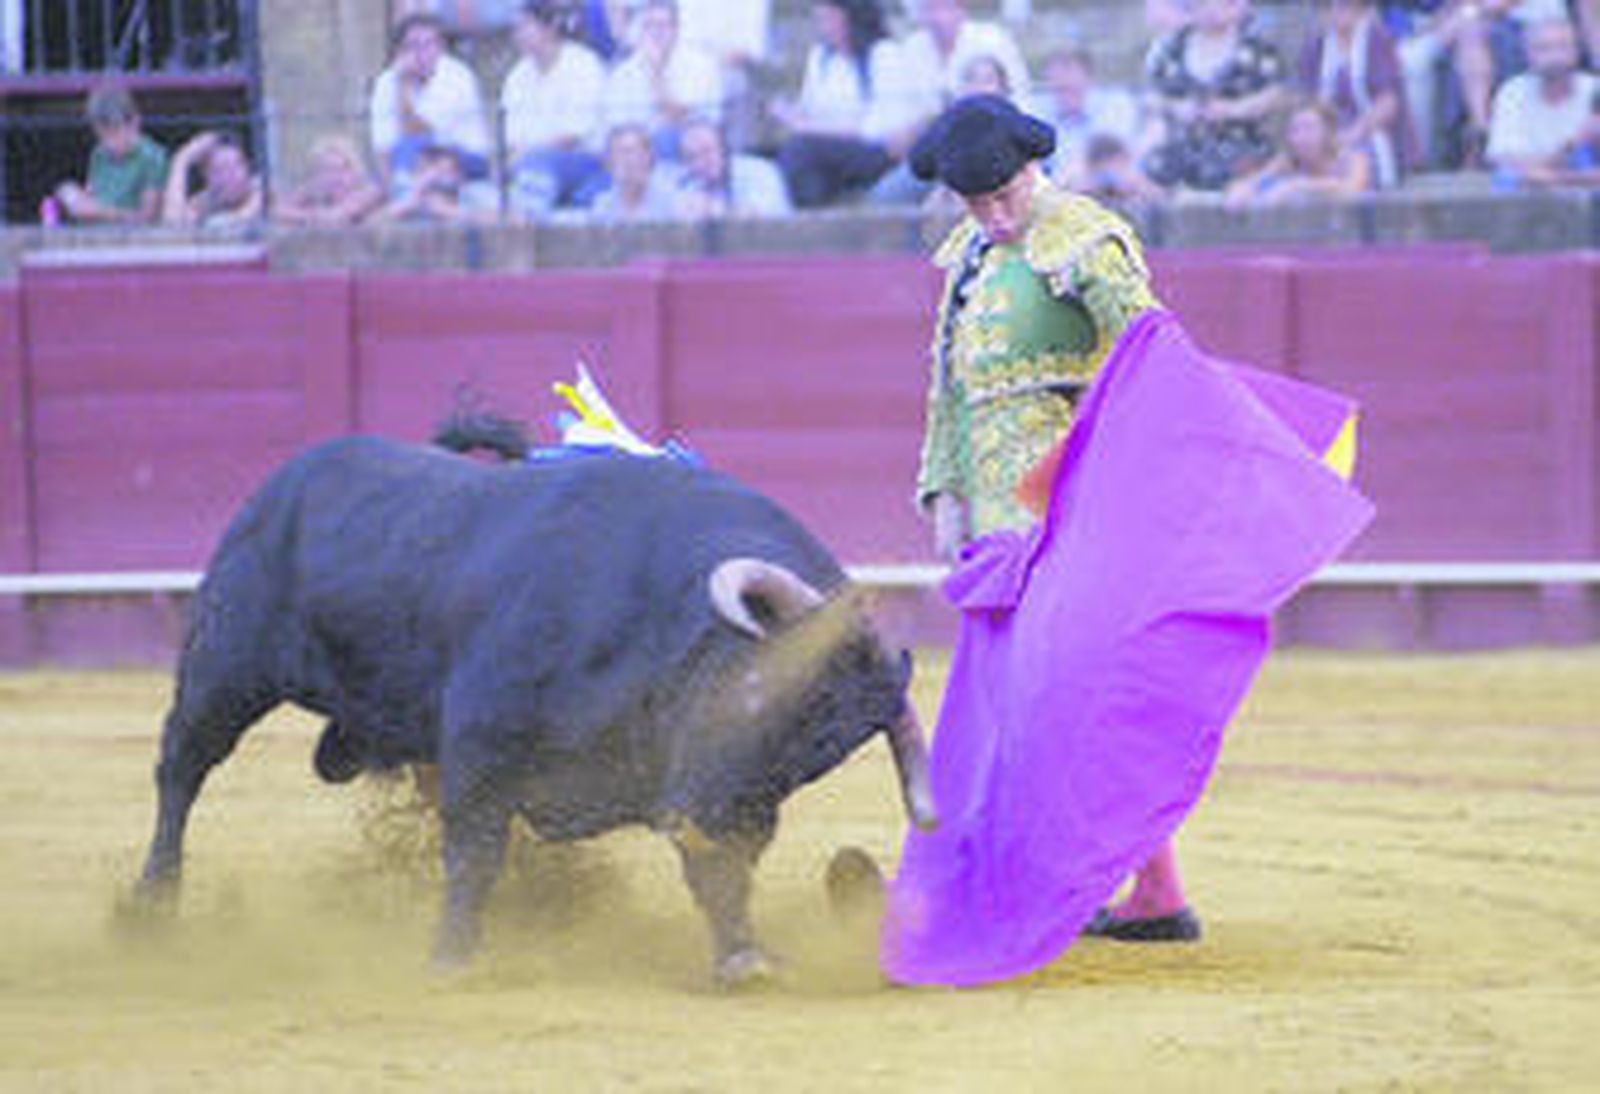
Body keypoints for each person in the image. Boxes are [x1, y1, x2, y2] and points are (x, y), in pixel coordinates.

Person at [883, 93, 1375, 987]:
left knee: (1057, 705)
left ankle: (1058, 888)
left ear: (1033, 168)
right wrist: (942, 488)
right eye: (976, 203)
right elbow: (947, 391)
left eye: (1005, 194)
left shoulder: (1087, 241)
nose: (995, 215)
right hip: (996, 520)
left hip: (1078, 511)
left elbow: (1158, 364)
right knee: (1018, 707)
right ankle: (1154, 894)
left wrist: (1108, 488)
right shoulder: (965, 261)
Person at [868, 0, 1032, 205]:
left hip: (993, 147)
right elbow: (903, 119)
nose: (938, 18)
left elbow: (1020, 101)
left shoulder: (992, 40)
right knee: (886, 195)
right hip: (937, 151)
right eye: (931, 9)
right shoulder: (912, 49)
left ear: (961, 9)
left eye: (945, 7)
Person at [1143, 0, 1289, 193]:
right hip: (1182, 147)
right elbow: (1150, 97)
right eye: (1202, 4)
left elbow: (1278, 95)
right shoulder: (1170, 49)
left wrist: (1234, 109)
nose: (1211, 9)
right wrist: (1176, 107)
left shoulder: (1259, 49)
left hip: (1243, 145)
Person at [773, 0, 905, 208]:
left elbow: (876, 126)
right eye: (821, 20)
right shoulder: (820, 58)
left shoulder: (883, 54)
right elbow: (810, 109)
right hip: (824, 148)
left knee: (800, 150)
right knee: (797, 159)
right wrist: (789, 114)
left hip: (872, 150)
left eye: (830, 19)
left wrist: (810, 128)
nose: (824, 27)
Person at [501, 0, 608, 219]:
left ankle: (526, 227)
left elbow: (574, 135)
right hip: (528, 162)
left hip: (585, 158)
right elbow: (510, 137)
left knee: (535, 167)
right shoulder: (517, 75)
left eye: (525, 27)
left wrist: (528, 155)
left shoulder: (583, 63)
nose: (518, 35)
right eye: (516, 29)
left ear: (549, 29)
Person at [368, 13, 493, 194]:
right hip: (411, 163)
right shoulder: (386, 82)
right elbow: (382, 147)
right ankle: (403, 197)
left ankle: (406, 196)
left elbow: (422, 133)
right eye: (413, 46)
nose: (422, 53)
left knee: (413, 148)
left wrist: (402, 86)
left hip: (463, 159)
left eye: (429, 44)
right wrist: (388, 188)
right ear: (400, 50)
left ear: (441, 47)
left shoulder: (458, 76)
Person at [1300, 0, 1416, 188]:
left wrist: (1353, 133)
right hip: (1331, 132)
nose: (1336, 11)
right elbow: (1310, 103)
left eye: (1344, 5)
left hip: (1373, 130)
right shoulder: (1315, 48)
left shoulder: (1378, 41)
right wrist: (1325, 135)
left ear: (1360, 9)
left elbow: (1388, 104)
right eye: (1328, 6)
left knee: (1352, 160)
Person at [1486, 14, 1600, 183]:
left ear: (1577, 51)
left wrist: (1549, 174)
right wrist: (1571, 148)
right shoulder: (1513, 92)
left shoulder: (1595, 90)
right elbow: (1503, 160)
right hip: (1524, 202)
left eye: (1563, 47)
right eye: (1543, 48)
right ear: (1527, 54)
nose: (1555, 57)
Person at [603, 0, 724, 159]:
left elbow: (679, 119)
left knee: (666, 139)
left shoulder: (699, 65)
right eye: (648, 26)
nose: (655, 32)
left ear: (676, 29)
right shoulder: (624, 72)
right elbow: (616, 127)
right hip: (637, 152)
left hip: (690, 150)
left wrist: (656, 74)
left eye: (662, 25)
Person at [49, 84, 168, 225]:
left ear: (134, 123)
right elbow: (92, 197)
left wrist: (101, 212)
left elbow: (147, 220)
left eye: (115, 134)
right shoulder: (99, 155)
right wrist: (73, 197)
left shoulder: (153, 158)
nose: (109, 144)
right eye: (102, 137)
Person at [1032, 45, 1144, 192]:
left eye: (1069, 68)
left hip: (1112, 192)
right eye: (1056, 74)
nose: (1063, 79)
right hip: (1058, 194)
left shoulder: (1115, 104)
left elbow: (1116, 157)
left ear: (1088, 75)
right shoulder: (1037, 110)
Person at [1226, 97, 1373, 205]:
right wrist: (1240, 190)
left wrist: (1297, 185)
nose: (1301, 137)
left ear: (1328, 132)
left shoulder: (1354, 157)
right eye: (1295, 130)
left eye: (1309, 128)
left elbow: (1352, 190)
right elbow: (1253, 182)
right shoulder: (1287, 161)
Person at [673, 116, 792, 218]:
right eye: (692, 157)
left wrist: (712, 209)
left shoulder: (759, 171)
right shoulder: (688, 184)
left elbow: (756, 217)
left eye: (707, 151)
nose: (700, 162)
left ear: (723, 148)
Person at [371, 142, 499, 225]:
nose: (435, 175)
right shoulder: (406, 197)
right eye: (430, 166)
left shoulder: (471, 194)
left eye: (446, 170)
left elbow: (509, 220)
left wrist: (451, 211)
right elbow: (367, 227)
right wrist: (409, 203)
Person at [272, 134, 385, 227]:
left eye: (340, 169)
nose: (334, 177)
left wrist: (306, 215)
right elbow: (277, 210)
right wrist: (310, 212)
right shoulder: (313, 189)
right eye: (327, 170)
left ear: (353, 170)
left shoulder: (368, 191)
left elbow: (337, 217)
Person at [161, 131, 263, 229]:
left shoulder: (263, 192)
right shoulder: (206, 200)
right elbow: (173, 225)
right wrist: (181, 160)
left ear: (248, 167)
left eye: (236, 166)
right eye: (219, 170)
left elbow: (237, 223)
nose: (229, 177)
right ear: (206, 178)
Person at [589, 122, 680, 220]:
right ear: (610, 161)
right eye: (622, 152)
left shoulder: (672, 202)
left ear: (649, 157)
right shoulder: (602, 206)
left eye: (637, 152)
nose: (630, 159)